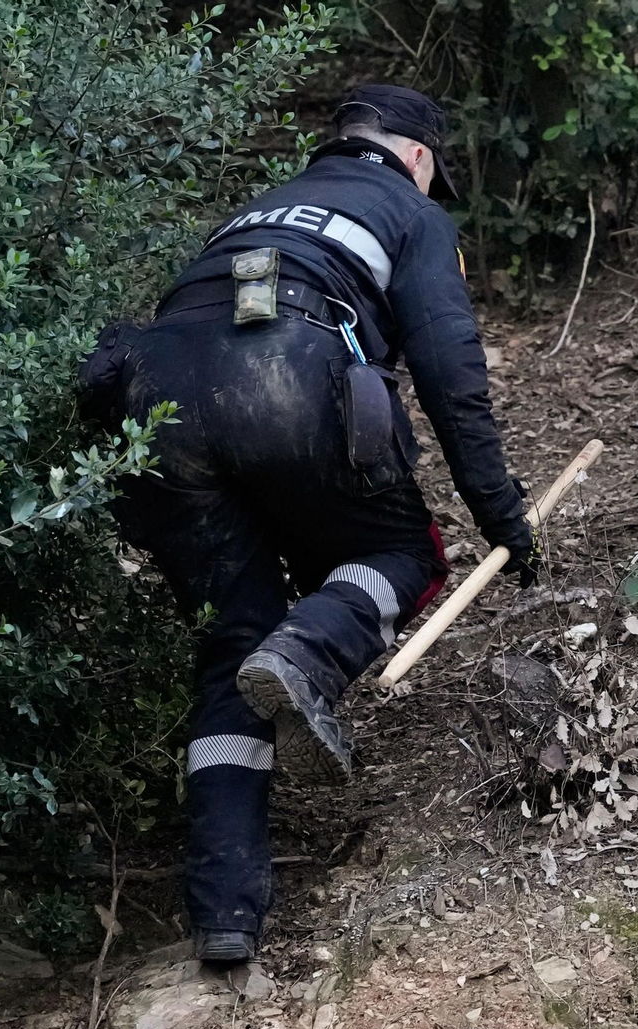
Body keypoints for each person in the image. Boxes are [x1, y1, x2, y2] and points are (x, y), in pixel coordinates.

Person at [87, 84, 538, 963]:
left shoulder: (256, 212)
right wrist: (502, 515)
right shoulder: (409, 209)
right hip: (284, 377)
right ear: (417, 157)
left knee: (231, 643)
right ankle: (307, 655)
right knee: (403, 551)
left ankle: (224, 916)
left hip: (150, 403)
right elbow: (452, 376)